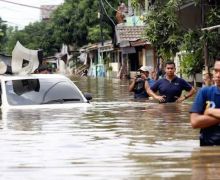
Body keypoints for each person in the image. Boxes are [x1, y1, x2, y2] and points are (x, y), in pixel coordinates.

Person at [190, 57, 220, 146]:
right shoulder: (204, 92)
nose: (218, 75)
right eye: (216, 70)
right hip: (207, 148)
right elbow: (195, 122)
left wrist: (210, 111)